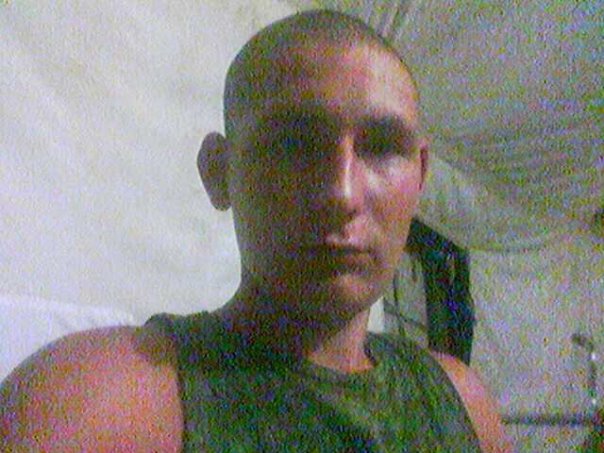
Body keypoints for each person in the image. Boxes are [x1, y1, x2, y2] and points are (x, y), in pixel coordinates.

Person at [0, 10, 510, 452]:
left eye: (380, 147)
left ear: (419, 177)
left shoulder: (462, 400)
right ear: (219, 173)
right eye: (293, 144)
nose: (342, 193)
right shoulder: (105, 402)